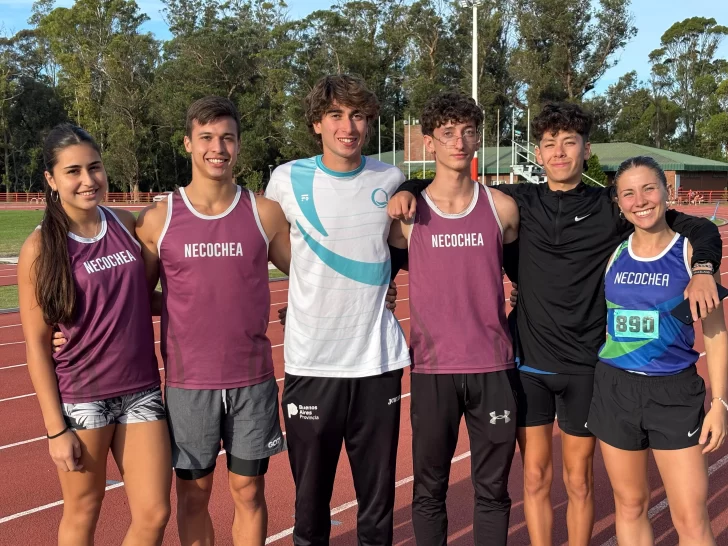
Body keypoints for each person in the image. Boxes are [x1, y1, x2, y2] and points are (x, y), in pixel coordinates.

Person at [387, 102, 722, 546]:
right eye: (549, 144)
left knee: (580, 481)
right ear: (538, 153)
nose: (559, 152)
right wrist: (410, 184)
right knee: (535, 479)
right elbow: (452, 187)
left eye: (569, 143)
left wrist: (702, 269)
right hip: (529, 363)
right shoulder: (517, 202)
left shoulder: (613, 205)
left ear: (586, 151)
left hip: (588, 364)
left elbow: (691, 226)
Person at [265, 74, 410, 546]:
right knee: (309, 504)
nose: (348, 126)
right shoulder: (286, 179)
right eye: (336, 115)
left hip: (377, 363)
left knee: (377, 503)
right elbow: (271, 250)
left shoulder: (390, 179)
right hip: (312, 362)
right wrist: (308, 289)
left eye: (358, 116)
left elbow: (403, 248)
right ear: (316, 124)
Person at [18, 123, 171, 546]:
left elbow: (143, 298)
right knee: (84, 511)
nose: (88, 180)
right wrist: (55, 430)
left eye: (95, 167)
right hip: (83, 396)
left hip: (141, 389)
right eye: (73, 171)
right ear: (51, 179)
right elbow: (36, 343)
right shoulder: (41, 248)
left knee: (155, 513)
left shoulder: (124, 223)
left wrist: (209, 306)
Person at [387, 91, 520, 545]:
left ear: (478, 138)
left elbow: (527, 274)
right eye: (447, 133)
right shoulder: (407, 214)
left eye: (467, 132)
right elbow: (375, 271)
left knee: (494, 491)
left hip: (493, 368)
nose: (458, 142)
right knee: (428, 491)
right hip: (432, 370)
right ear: (429, 143)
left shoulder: (501, 208)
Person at [588, 156, 727, 546]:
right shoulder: (612, 252)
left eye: (649, 188)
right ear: (618, 202)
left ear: (667, 192)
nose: (640, 200)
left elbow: (715, 334)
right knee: (630, 504)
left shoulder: (691, 254)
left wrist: (720, 403)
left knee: (690, 516)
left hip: (673, 393)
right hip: (615, 388)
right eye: (628, 193)